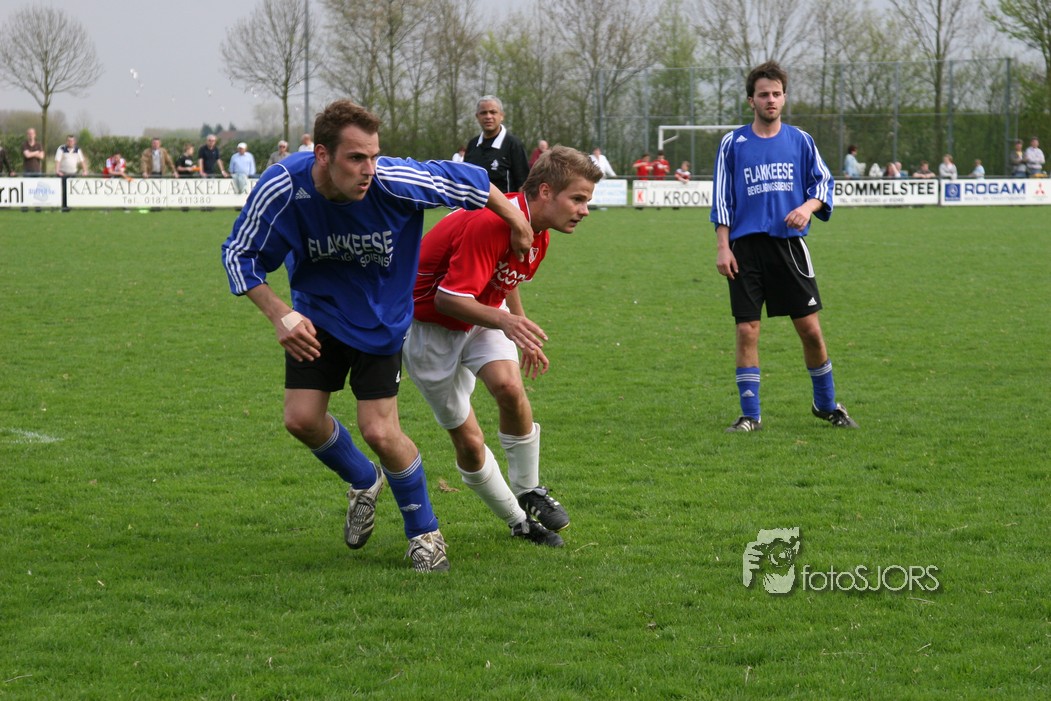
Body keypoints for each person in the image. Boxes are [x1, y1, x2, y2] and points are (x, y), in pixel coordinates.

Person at [220, 99, 534, 573]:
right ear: (322, 154)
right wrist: (279, 313)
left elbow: (470, 181)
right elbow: (238, 254)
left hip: (381, 321)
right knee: (301, 420)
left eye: (373, 155)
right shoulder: (283, 185)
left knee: (380, 431)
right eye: (355, 158)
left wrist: (517, 222)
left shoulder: (394, 179)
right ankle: (364, 479)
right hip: (316, 316)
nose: (369, 169)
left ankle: (425, 534)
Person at [403, 146, 601, 549]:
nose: (584, 210)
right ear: (545, 191)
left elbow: (505, 277)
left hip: (482, 315)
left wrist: (519, 328)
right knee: (470, 443)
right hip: (430, 329)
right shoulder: (490, 222)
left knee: (510, 388)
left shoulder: (536, 231)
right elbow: (447, 299)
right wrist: (508, 323)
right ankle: (518, 521)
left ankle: (529, 490)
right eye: (578, 199)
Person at [710, 60, 857, 433]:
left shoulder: (801, 140)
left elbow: (823, 184)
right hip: (744, 249)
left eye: (776, 94)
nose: (770, 100)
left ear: (784, 98)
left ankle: (826, 404)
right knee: (747, 330)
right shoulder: (732, 144)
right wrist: (723, 246)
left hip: (789, 248)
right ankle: (750, 415)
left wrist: (807, 208)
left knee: (810, 330)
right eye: (763, 95)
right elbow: (722, 199)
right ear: (751, 100)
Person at [463, 95, 530, 193]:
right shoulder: (472, 145)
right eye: (483, 113)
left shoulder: (513, 144)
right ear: (477, 116)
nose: (488, 116)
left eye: (493, 112)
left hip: (505, 202)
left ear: (501, 116)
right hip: (475, 203)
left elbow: (523, 185)